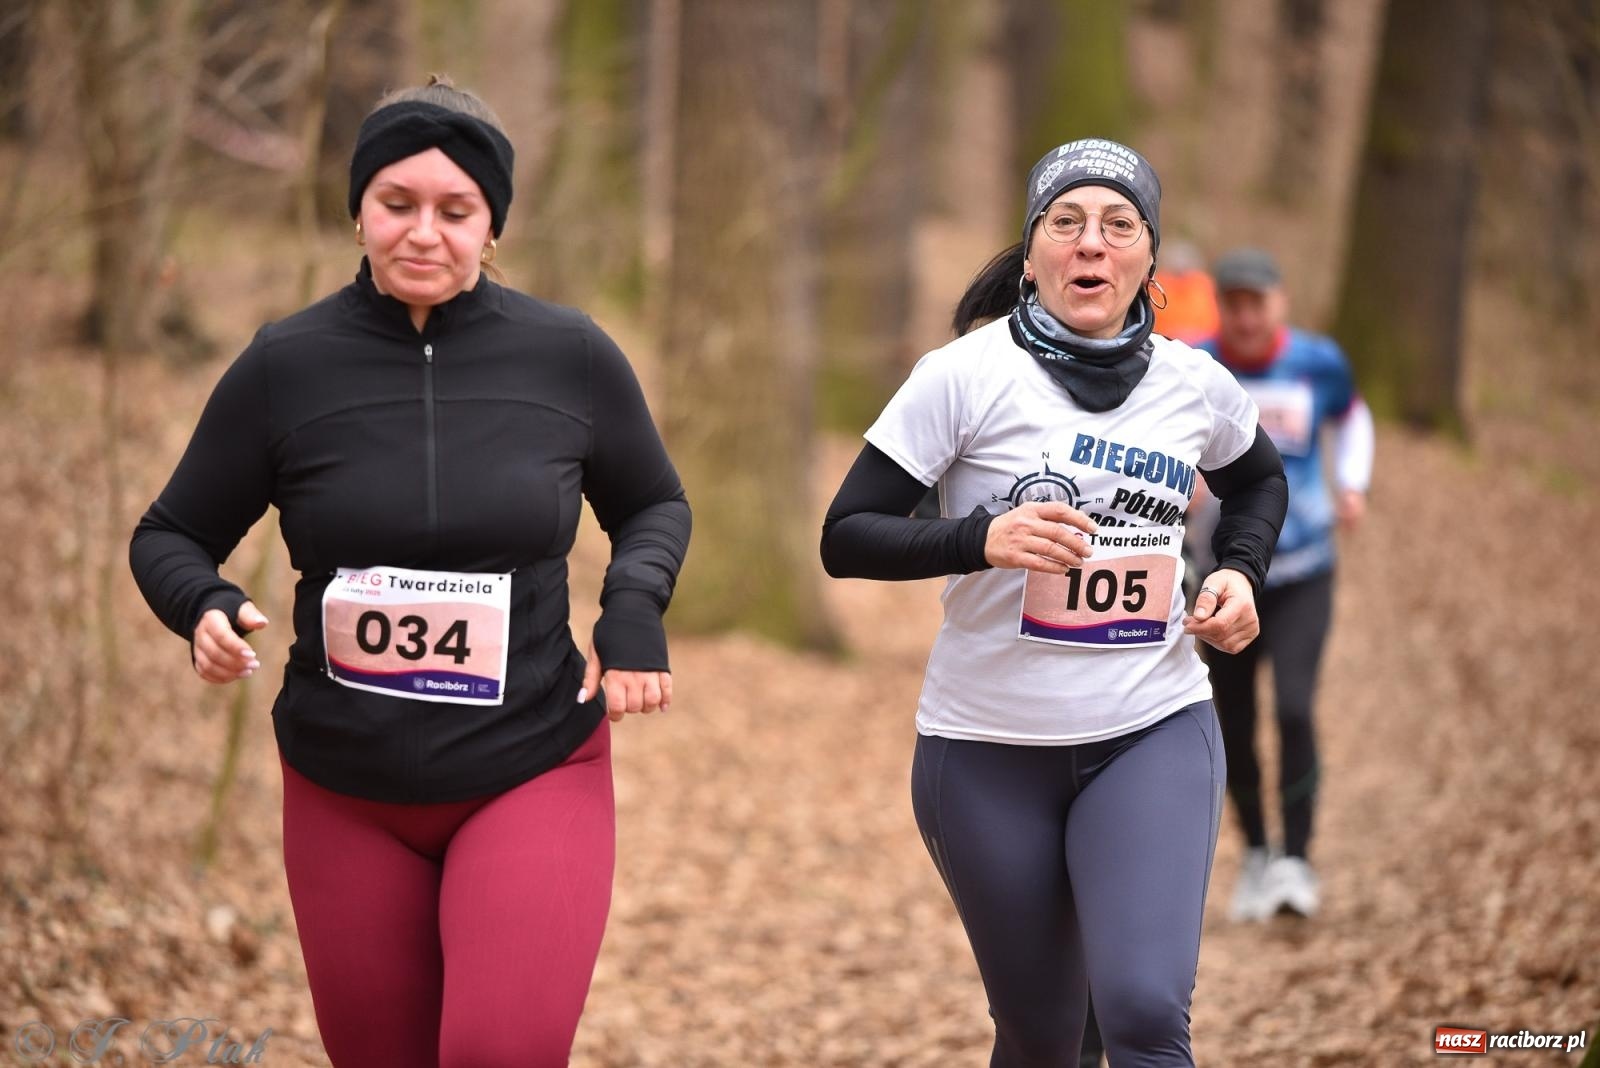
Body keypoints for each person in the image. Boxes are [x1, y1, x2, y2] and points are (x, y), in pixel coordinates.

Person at [128, 76, 691, 1068]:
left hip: (529, 763)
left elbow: (653, 503)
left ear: (492, 225)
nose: (423, 232)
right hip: (346, 785)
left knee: (495, 1051)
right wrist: (202, 605)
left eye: (455, 210)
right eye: (396, 204)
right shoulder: (285, 366)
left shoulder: (570, 357)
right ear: (357, 213)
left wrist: (632, 610)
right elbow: (170, 533)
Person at [820, 138, 1288, 1067]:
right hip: (985, 752)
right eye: (1066, 223)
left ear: (1150, 258)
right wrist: (976, 538)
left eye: (1119, 226)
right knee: (1042, 1037)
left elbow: (1260, 482)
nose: (1092, 246)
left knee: (1144, 1014)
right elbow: (846, 535)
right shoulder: (962, 376)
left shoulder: (1193, 384)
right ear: (1030, 250)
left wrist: (1239, 571)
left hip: (1150, 726)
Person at [1195, 248, 1373, 922]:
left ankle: (1297, 860)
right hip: (1223, 575)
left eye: (1256, 302)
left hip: (1302, 569)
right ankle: (1259, 855)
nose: (1244, 316)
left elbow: (1352, 417)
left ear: (1280, 304)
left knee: (1293, 708)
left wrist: (1351, 484)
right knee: (1233, 723)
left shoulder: (1318, 362)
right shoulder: (1192, 365)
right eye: (1232, 302)